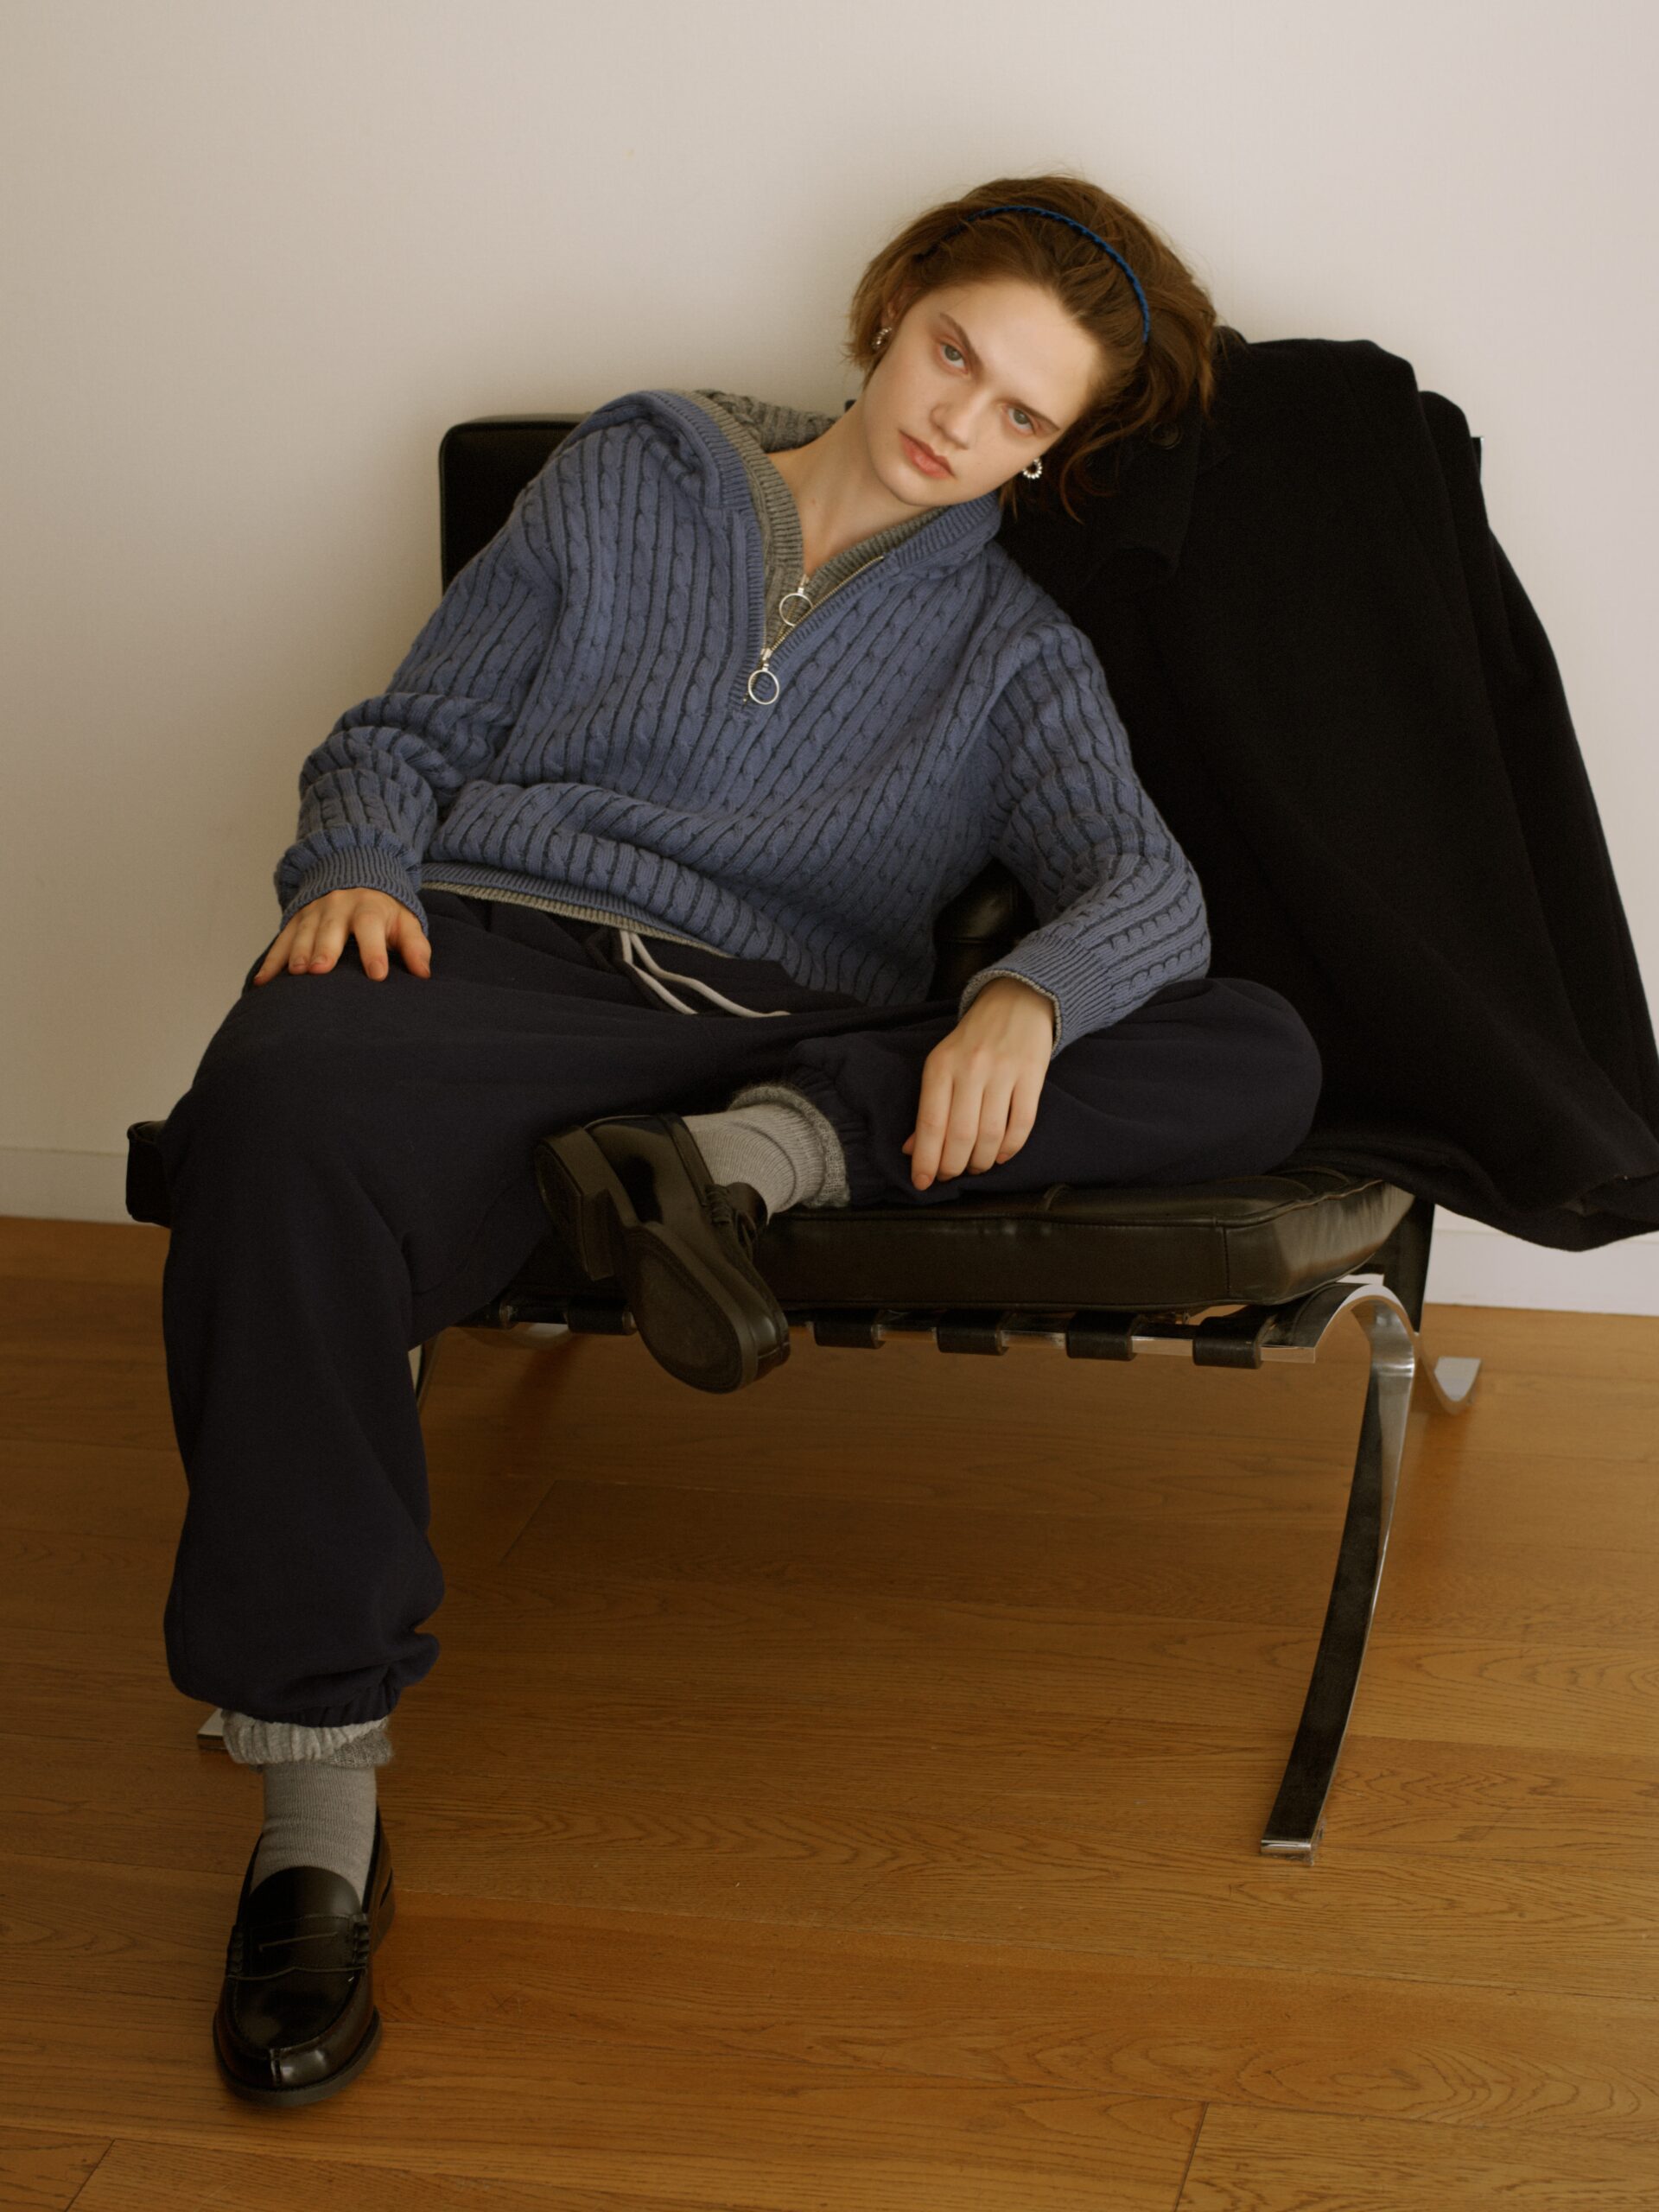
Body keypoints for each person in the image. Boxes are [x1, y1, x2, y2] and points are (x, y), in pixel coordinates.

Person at [162, 173, 1324, 2104]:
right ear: (892, 304)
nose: (959, 421)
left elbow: (1151, 894)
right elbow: (405, 730)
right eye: (953, 353)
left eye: (1020, 414)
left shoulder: (1013, 653)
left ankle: (744, 1163)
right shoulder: (635, 472)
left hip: (761, 1039)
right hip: (499, 965)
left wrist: (1027, 997)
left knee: (1256, 1051)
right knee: (272, 1094)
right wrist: (356, 862)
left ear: (1053, 453)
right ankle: (314, 1816)